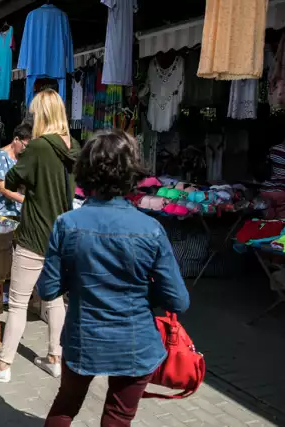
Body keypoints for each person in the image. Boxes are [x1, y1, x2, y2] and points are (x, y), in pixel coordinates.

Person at [38, 130, 190, 427]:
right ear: (131, 172)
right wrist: (144, 291)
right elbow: (179, 301)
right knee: (118, 416)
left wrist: (76, 277)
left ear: (86, 170)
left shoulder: (66, 224)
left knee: (66, 405)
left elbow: (47, 289)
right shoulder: (151, 229)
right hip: (135, 342)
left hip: (84, 339)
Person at [0, 89, 81, 383]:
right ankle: (54, 357)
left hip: (34, 233)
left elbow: (13, 179)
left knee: (18, 302)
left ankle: (3, 364)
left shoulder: (39, 147)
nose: (31, 116)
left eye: (34, 112)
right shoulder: (73, 146)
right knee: (55, 298)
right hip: (61, 233)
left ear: (42, 114)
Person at [0, 123, 32, 218]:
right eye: (24, 145)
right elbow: (2, 188)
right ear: (16, 139)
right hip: (3, 211)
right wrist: (26, 201)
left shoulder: (22, 156)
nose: (26, 149)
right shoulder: (2, 156)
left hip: (18, 209)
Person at [260, 134, 285, 219]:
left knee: (268, 223)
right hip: (282, 193)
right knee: (282, 223)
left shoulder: (271, 149)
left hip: (265, 191)